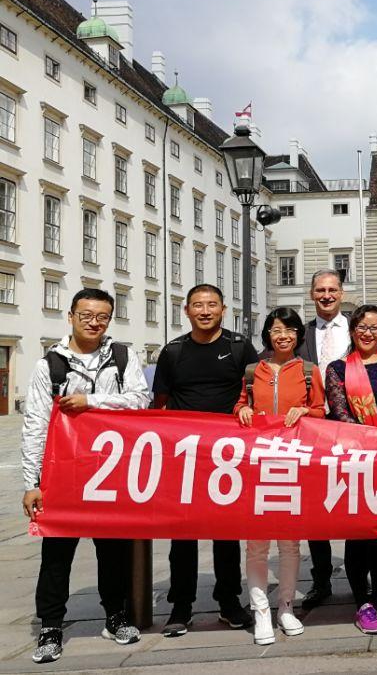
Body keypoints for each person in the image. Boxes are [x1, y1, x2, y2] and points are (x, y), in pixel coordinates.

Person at [21, 288, 151, 665]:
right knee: (56, 553)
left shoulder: (123, 356)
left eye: (102, 317)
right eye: (86, 315)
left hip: (111, 472)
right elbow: (35, 424)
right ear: (71, 316)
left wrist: (91, 401)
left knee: (114, 550)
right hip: (64, 473)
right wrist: (32, 483)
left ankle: (116, 615)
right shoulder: (51, 364)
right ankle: (50, 627)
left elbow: (140, 400)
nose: (94, 323)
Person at [153, 284, 259, 636]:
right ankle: (180, 608)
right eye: (197, 305)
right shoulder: (173, 351)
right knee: (182, 535)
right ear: (186, 311)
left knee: (226, 534)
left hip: (228, 456)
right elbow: (160, 403)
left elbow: (254, 394)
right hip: (185, 456)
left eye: (212, 304)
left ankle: (229, 602)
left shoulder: (239, 347)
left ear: (223, 309)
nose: (205, 310)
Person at [233, 308, 327, 645]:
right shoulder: (250, 371)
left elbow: (321, 410)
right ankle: (260, 612)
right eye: (276, 330)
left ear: (298, 335)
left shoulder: (307, 371)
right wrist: (241, 409)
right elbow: (238, 405)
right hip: (257, 466)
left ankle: (286, 607)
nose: (283, 335)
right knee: (256, 545)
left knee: (290, 544)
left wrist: (305, 410)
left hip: (293, 465)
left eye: (289, 329)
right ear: (268, 335)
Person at [325, 305, 377, 635]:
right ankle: (362, 601)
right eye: (362, 327)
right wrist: (369, 436)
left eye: (375, 328)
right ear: (352, 331)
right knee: (359, 532)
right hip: (356, 458)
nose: (368, 333)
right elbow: (338, 411)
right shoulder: (338, 369)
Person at [295, 269, 351, 609]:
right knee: (315, 505)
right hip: (313, 424)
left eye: (332, 289)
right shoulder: (300, 334)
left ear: (341, 293)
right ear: (312, 294)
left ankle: (366, 577)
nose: (326, 295)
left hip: (351, 424)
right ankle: (321, 577)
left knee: (358, 497)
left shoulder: (358, 328)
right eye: (320, 290)